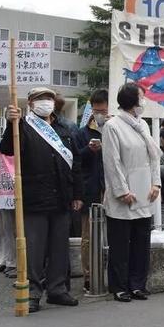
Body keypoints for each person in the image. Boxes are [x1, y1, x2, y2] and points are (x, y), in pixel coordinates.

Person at [1, 87, 84, 313]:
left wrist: (78, 194)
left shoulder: (65, 128)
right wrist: (11, 124)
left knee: (59, 247)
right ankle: (33, 293)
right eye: (39, 99)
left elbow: (75, 163)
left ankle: (57, 290)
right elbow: (7, 149)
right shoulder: (23, 126)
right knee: (34, 250)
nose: (45, 102)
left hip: (62, 197)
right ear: (30, 102)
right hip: (35, 197)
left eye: (48, 98)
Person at [102, 83, 160, 303]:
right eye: (141, 97)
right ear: (131, 101)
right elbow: (112, 161)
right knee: (120, 243)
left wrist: (156, 184)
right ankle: (119, 286)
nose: (143, 101)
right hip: (124, 195)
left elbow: (153, 157)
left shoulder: (142, 125)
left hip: (145, 191)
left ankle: (138, 284)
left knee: (140, 242)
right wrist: (122, 191)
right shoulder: (113, 126)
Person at [75, 89, 108, 291]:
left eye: (103, 110)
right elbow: (75, 160)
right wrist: (89, 150)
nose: (100, 114)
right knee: (88, 236)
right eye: (96, 111)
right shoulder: (82, 133)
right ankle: (89, 276)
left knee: (112, 233)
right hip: (91, 189)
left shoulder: (116, 127)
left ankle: (111, 273)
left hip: (113, 188)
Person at [0, 150, 17, 278]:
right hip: (1, 193)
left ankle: (13, 262)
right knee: (3, 230)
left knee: (13, 230)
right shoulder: (2, 148)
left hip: (11, 192)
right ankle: (6, 259)